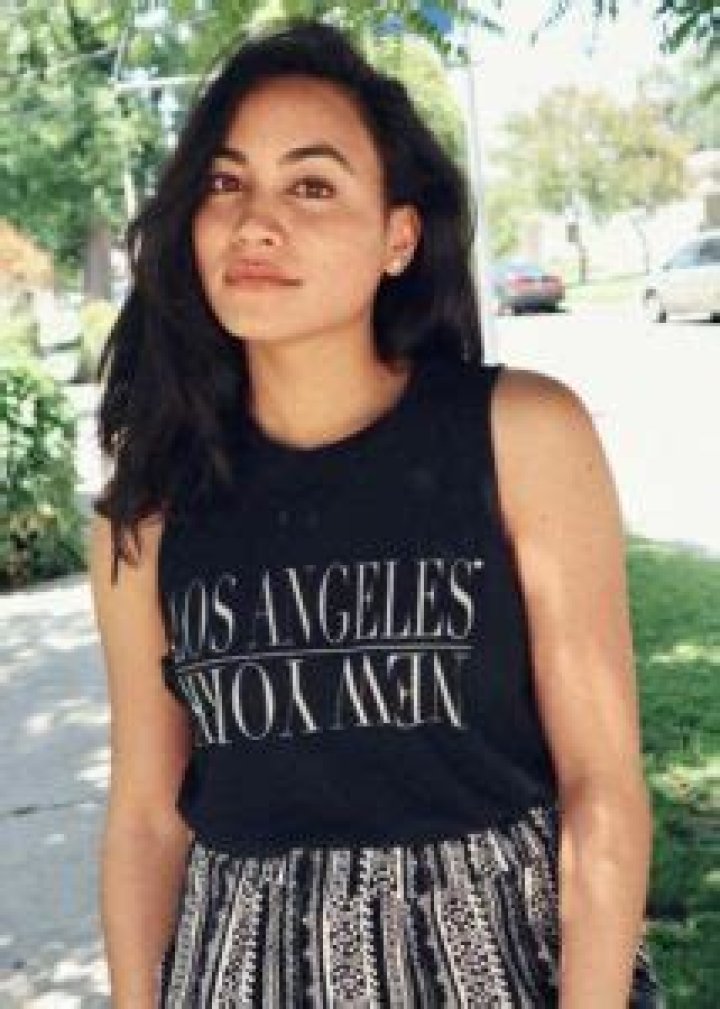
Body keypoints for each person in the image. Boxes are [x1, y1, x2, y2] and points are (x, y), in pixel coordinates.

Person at [88, 16, 664, 1009]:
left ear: (399, 235)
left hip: (498, 964)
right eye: (226, 183)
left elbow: (601, 784)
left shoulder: (522, 437)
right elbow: (146, 814)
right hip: (239, 974)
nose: (255, 223)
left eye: (312, 186)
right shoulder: (149, 511)